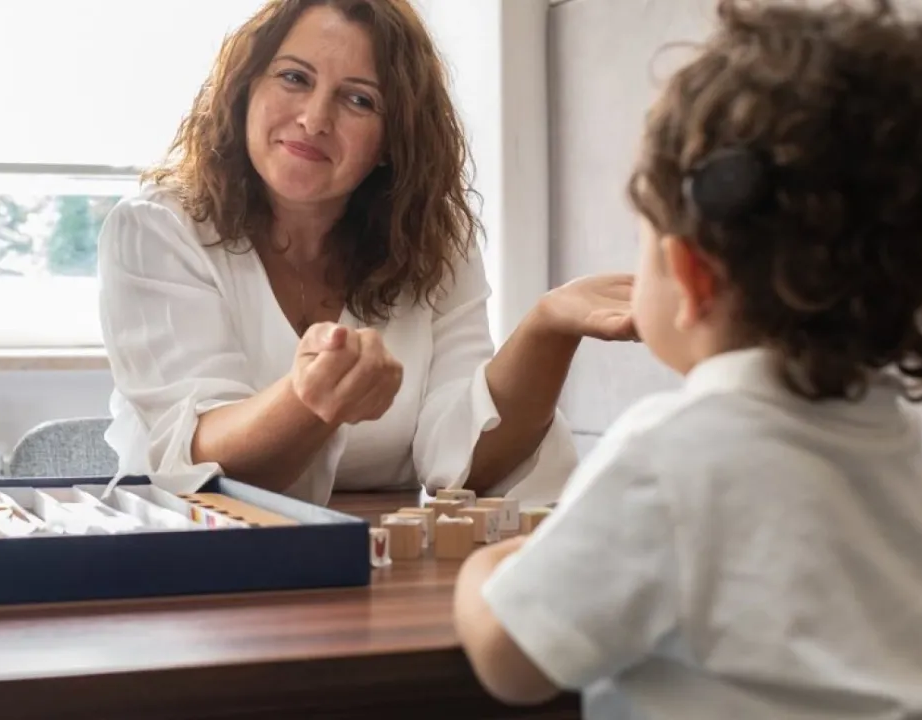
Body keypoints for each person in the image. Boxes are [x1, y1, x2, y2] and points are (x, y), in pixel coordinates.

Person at [454, 0, 922, 717]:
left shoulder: (666, 452)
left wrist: (485, 568)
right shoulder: (888, 440)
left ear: (693, 276)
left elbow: (511, 660)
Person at [97, 0, 635, 506]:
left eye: (358, 100)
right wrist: (307, 400)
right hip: (192, 556)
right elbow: (197, 455)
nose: (314, 119)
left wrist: (546, 329)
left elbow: (465, 462)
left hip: (379, 561)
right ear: (245, 89)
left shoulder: (434, 244)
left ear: (391, 141)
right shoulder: (158, 228)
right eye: (294, 77)